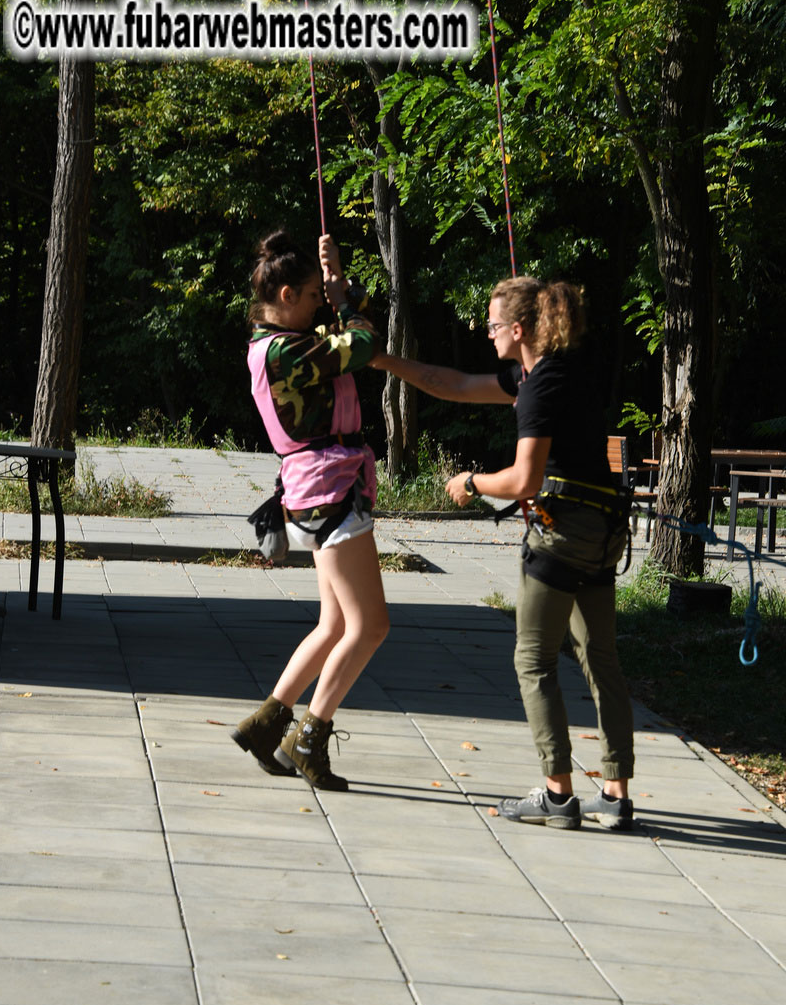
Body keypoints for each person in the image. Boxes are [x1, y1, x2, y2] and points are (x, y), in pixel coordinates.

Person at [373, 275, 634, 831]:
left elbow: (524, 478)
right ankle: (614, 794)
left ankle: (557, 795)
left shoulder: (539, 388)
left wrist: (471, 480)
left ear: (518, 330)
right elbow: (456, 383)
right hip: (603, 532)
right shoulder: (560, 370)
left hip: (563, 536)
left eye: (492, 326)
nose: (486, 334)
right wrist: (387, 362)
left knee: (533, 660)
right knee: (600, 660)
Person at [233, 230, 389, 791]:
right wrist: (347, 302)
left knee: (334, 625)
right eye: (312, 296)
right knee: (371, 625)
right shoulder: (287, 352)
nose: (319, 306)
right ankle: (308, 737)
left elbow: (352, 330)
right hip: (329, 489)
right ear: (284, 295)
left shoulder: (278, 343)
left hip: (317, 487)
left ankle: (265, 723)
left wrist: (340, 283)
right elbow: (365, 344)